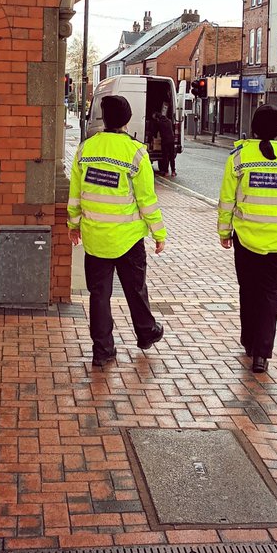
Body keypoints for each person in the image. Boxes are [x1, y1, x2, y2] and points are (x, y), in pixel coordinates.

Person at [67, 94, 166, 367]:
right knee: (135, 288)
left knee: (99, 295)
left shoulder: (86, 149)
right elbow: (146, 199)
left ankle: (102, 350)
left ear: (104, 118)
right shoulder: (135, 152)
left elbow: (75, 194)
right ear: (127, 119)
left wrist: (73, 226)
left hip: (95, 236)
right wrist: (159, 233)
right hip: (128, 237)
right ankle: (146, 332)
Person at [217, 104, 277, 374]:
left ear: (254, 128)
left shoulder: (238, 158)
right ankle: (261, 354)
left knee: (248, 291)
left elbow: (227, 200)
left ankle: (249, 342)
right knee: (271, 296)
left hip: (246, 238)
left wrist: (224, 231)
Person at [154, 111, 177, 177]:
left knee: (165, 156)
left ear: (157, 118)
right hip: (171, 140)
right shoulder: (169, 121)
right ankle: (173, 171)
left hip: (165, 141)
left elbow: (155, 132)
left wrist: (154, 137)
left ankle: (166, 172)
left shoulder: (159, 123)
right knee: (171, 156)